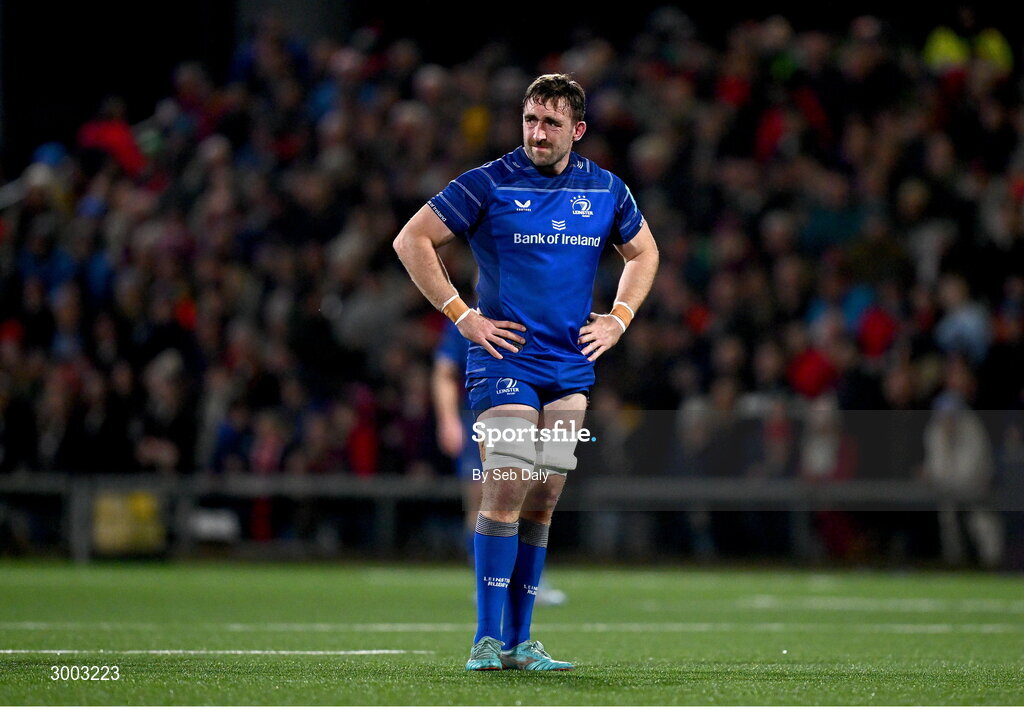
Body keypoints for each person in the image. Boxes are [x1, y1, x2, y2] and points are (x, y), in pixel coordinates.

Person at [394, 74, 659, 671]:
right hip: (503, 361)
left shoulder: (606, 190)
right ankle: (486, 639)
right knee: (508, 484)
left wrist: (619, 318)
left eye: (551, 123)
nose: (538, 133)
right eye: (531, 120)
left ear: (578, 130)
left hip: (569, 368)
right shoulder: (488, 183)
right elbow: (412, 240)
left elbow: (645, 253)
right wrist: (461, 316)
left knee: (542, 499)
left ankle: (520, 642)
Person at [433, 317, 569, 605]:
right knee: (480, 499)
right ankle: (487, 580)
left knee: (528, 495)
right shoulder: (465, 319)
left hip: (525, 415)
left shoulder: (530, 312)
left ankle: (528, 580)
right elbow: (445, 371)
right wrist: (447, 420)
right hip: (478, 414)